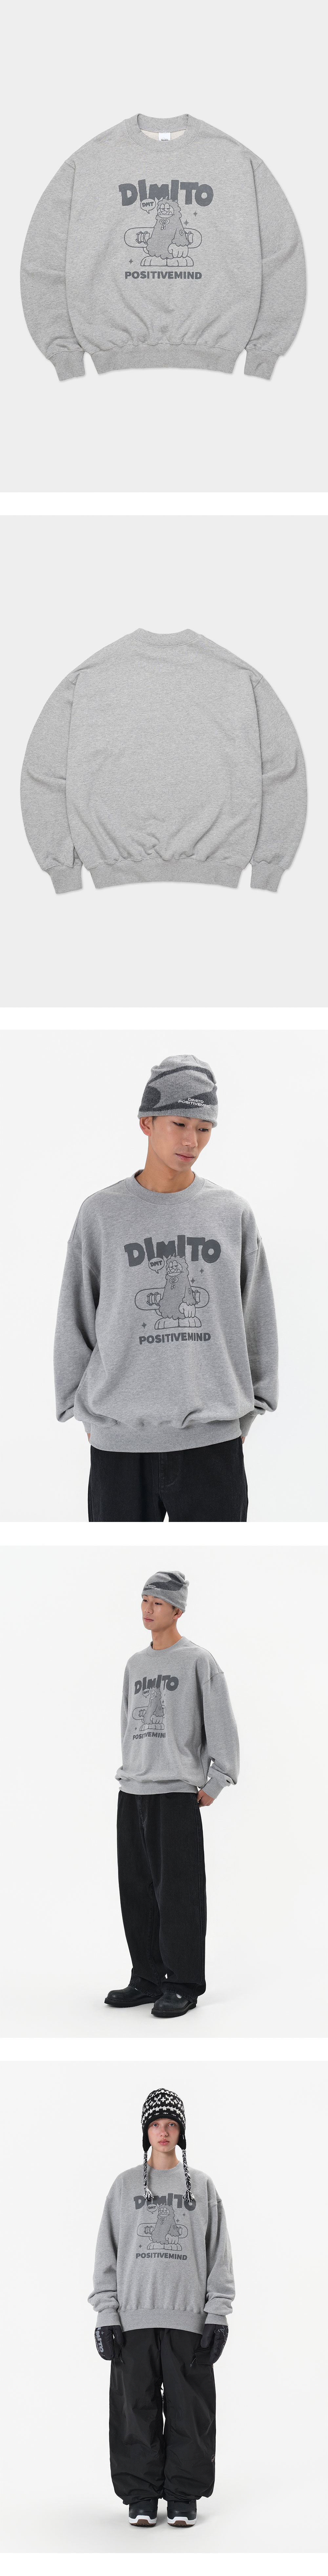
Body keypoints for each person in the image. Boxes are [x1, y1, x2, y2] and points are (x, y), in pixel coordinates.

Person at [54, 1051, 278, 1523]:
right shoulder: (102, 1214)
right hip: (119, 1446)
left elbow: (256, 1313)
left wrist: (252, 1407)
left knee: (218, 1554)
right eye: (180, 1124)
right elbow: (76, 1313)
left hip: (213, 1443)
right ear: (147, 1122)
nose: (192, 1141)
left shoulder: (231, 1213)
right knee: (117, 1555)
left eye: (205, 1128)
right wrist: (80, 1407)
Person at [89, 2085, 235, 2529]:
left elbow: (219, 2253)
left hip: (189, 2321)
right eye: (157, 2124)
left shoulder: (203, 2186)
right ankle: (141, 2496)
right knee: (135, 2410)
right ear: (146, 2132)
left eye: (172, 2124)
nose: (164, 2132)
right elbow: (107, 2253)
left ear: (182, 2132)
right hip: (133, 2320)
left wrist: (217, 2313)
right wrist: (107, 2313)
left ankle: (184, 2496)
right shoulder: (124, 2186)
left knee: (191, 2411)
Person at [105, 1566, 239, 2017]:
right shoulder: (135, 1664)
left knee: (179, 1891)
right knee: (137, 1890)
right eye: (144, 1601)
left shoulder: (198, 1661)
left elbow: (220, 1722)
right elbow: (128, 1725)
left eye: (158, 1602)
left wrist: (218, 1779)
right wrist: (131, 1772)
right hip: (133, 1790)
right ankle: (146, 1978)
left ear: (177, 1610)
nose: (148, 1609)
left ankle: (182, 1983)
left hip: (176, 1793)